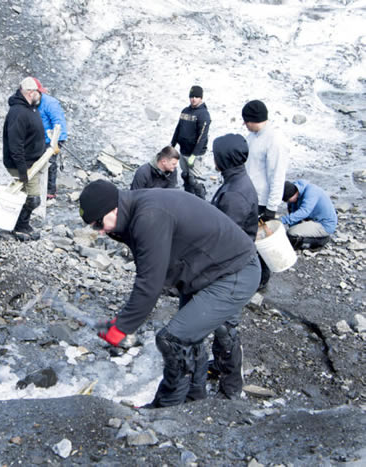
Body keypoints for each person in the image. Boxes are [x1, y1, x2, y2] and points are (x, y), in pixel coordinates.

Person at [79, 180, 260, 407]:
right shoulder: (131, 211)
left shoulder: (148, 216)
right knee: (190, 337)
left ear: (112, 208)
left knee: (173, 338)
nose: (100, 231)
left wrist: (123, 326)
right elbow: (152, 268)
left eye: (98, 224)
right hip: (204, 271)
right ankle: (194, 399)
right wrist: (123, 319)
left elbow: (149, 282)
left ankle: (170, 407)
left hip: (235, 271)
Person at [208, 134, 258, 398]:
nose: (212, 158)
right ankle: (218, 367)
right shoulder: (234, 181)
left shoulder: (235, 194)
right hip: (232, 265)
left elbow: (224, 239)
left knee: (226, 327)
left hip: (232, 270)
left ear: (223, 159)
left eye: (215, 154)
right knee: (221, 322)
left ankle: (230, 389)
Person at [243, 99, 289, 289]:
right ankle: (250, 273)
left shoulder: (274, 140)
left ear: (255, 119)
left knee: (262, 240)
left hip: (263, 200)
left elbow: (277, 175)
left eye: (246, 120)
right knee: (249, 238)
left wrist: (272, 207)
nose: (244, 124)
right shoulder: (252, 137)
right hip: (249, 196)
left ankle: (262, 278)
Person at [2, 77, 48, 241]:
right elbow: (15, 144)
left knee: (26, 195)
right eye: (39, 93)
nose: (41, 96)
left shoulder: (29, 109)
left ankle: (20, 224)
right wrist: (22, 170)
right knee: (32, 197)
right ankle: (19, 227)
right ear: (30, 92)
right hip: (24, 165)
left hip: (31, 162)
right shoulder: (18, 112)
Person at [170, 85, 211, 199]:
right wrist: (172, 144)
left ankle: (201, 201)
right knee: (185, 176)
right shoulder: (185, 111)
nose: (194, 99)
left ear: (201, 98)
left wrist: (195, 154)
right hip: (184, 151)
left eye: (197, 96)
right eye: (192, 96)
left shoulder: (203, 114)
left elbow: (202, 137)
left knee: (194, 180)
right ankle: (188, 198)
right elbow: (178, 128)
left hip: (195, 154)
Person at [32, 78, 68, 199]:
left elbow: (58, 122)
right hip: (38, 139)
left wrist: (57, 141)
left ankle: (50, 191)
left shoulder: (50, 103)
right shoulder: (29, 102)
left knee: (50, 163)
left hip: (54, 137)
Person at [281, 180, 337, 250]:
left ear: (295, 193)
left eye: (287, 200)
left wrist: (282, 220)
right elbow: (293, 212)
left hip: (325, 225)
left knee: (291, 234)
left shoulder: (311, 192)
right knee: (291, 232)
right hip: (314, 219)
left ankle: (321, 240)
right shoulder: (297, 193)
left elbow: (304, 211)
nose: (287, 202)